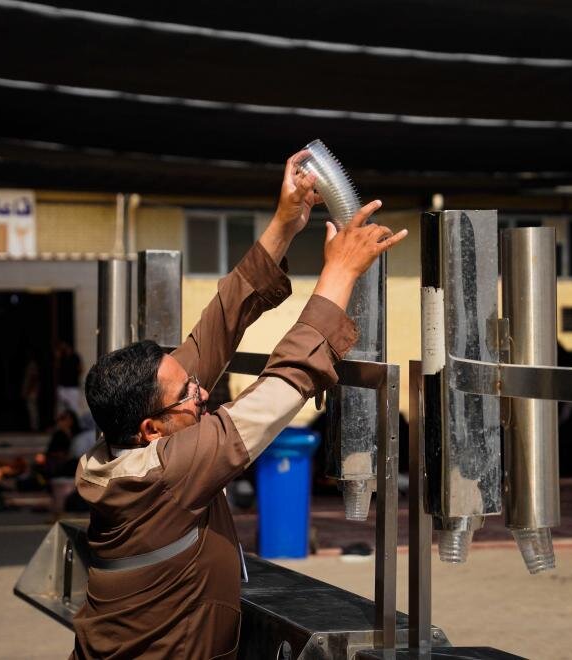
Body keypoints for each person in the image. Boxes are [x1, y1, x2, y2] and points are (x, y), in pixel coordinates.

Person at [70, 150, 407, 659]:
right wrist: (340, 271)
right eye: (189, 394)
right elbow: (284, 381)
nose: (203, 391)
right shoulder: (168, 473)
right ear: (151, 429)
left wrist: (285, 222)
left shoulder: (122, 448)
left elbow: (219, 324)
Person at [55, 341, 84, 416]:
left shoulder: (75, 357)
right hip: (62, 387)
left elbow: (81, 369)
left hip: (73, 387)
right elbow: (56, 368)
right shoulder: (61, 356)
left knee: (73, 410)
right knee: (61, 410)